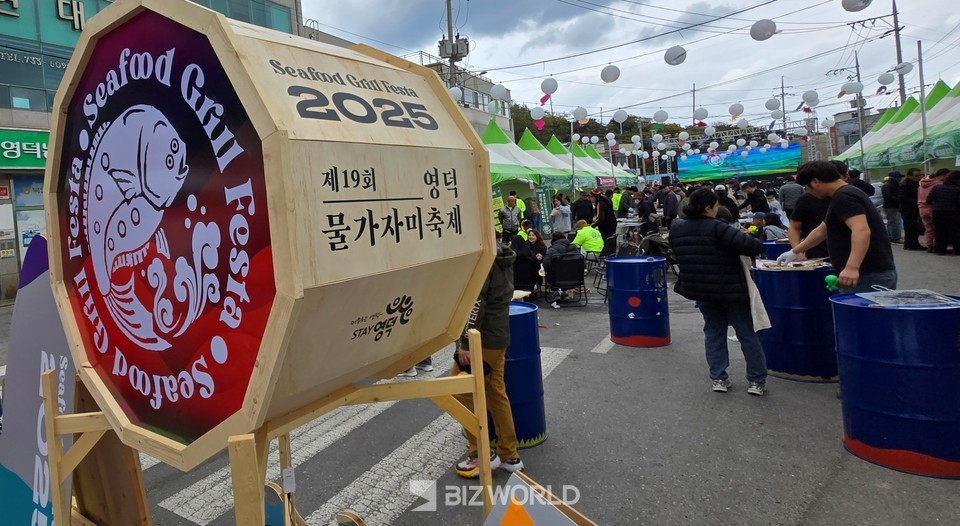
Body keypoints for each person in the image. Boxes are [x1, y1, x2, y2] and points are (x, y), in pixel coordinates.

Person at [670, 189, 767, 396]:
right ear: (708, 207)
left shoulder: (678, 228)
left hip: (702, 291)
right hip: (731, 290)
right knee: (746, 334)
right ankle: (756, 380)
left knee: (713, 333)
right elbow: (753, 246)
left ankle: (718, 378)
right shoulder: (718, 227)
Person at [454, 239, 524, 477]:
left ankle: (480, 454)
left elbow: (476, 303)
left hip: (481, 340)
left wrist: (465, 342)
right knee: (496, 394)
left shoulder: (484, 260)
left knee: (460, 393)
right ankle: (509, 454)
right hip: (498, 336)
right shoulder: (503, 258)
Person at [779, 161, 896, 292]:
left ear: (816, 182)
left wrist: (852, 267)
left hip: (868, 273)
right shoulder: (841, 195)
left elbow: (861, 230)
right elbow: (821, 231)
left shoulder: (844, 196)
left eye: (807, 187)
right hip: (865, 273)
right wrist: (795, 251)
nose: (807, 191)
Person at [788, 187, 831, 260]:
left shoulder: (846, 197)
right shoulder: (806, 199)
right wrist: (797, 252)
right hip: (816, 253)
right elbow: (794, 227)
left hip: (846, 253)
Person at [925, 170, 960, 255]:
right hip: (953, 213)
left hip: (938, 212)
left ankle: (939, 250)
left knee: (939, 232)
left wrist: (937, 204)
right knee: (955, 232)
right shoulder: (957, 189)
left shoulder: (937, 187)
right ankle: (958, 250)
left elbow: (928, 200)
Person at [919, 168, 949, 252]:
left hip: (922, 208)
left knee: (928, 229)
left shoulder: (922, 183)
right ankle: (937, 246)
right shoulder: (939, 184)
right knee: (937, 229)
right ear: (943, 175)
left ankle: (929, 246)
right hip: (933, 208)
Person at [899, 168, 924, 251]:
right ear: (910, 176)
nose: (919, 177)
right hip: (908, 209)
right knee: (911, 227)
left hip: (911, 209)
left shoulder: (914, 183)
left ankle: (909, 244)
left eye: (920, 175)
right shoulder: (906, 185)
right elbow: (904, 198)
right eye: (916, 176)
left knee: (912, 228)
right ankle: (912, 244)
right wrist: (917, 201)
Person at [881, 171, 903, 243]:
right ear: (895, 178)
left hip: (890, 206)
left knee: (893, 222)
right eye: (899, 177)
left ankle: (892, 237)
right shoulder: (891, 185)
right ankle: (894, 238)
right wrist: (899, 199)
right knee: (894, 222)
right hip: (892, 206)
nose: (900, 178)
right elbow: (888, 196)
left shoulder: (888, 184)